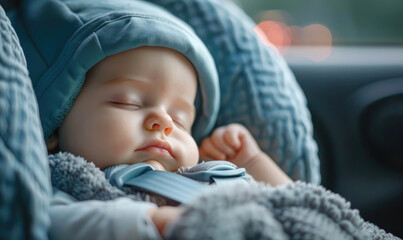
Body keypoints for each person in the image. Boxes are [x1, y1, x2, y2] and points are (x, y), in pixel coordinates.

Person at [46, 45, 291, 238]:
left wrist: (252, 161)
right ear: (56, 124)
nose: (165, 122)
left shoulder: (211, 176)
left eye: (180, 119)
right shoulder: (64, 179)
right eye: (128, 102)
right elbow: (51, 222)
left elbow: (296, 207)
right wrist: (151, 222)